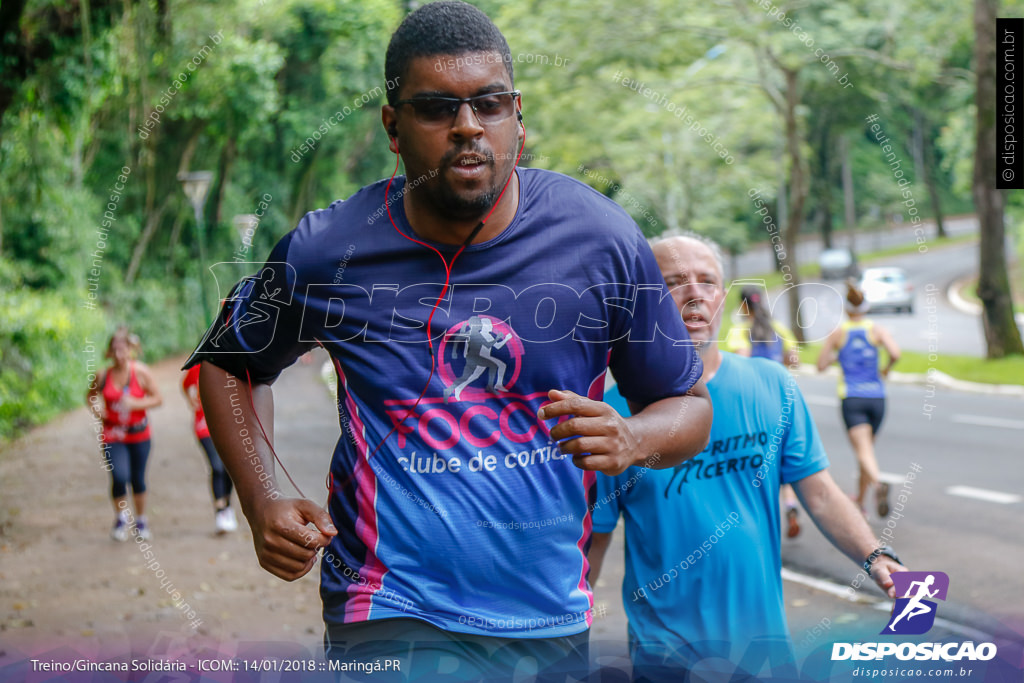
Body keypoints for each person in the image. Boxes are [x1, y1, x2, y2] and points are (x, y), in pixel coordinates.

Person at [184, 3, 713, 680]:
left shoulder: (601, 239)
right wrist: (261, 500)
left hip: (547, 613)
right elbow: (231, 362)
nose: (468, 126)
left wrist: (635, 438)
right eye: (436, 108)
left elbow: (689, 405)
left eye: (488, 104)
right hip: (387, 603)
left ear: (517, 117)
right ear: (392, 127)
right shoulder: (329, 251)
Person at [589, 235, 906, 682]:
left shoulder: (772, 386)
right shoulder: (614, 413)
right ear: (646, 301)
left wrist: (879, 559)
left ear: (722, 297)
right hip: (667, 658)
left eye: (707, 281)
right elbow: (593, 543)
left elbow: (819, 493)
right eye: (674, 282)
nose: (694, 293)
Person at [816, 281, 900, 517]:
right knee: (866, 451)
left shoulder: (838, 333)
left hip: (852, 397)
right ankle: (860, 501)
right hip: (877, 397)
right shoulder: (877, 330)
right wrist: (886, 369)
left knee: (863, 452)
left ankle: (878, 484)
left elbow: (820, 366)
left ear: (847, 309)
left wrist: (835, 358)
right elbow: (895, 353)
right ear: (865, 307)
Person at [725, 285, 803, 537]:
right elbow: (794, 358)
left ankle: (754, 520)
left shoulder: (739, 331)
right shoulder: (777, 328)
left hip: (754, 405)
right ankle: (790, 503)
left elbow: (742, 359)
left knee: (755, 459)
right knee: (783, 455)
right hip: (782, 400)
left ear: (743, 305)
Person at [86, 327, 163, 541]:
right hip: (113, 435)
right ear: (109, 352)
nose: (119, 355)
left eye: (123, 350)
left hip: (139, 434)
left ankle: (141, 520)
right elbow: (90, 396)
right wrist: (96, 409)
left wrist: (136, 403)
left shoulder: (141, 372)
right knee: (119, 476)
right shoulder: (103, 375)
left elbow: (158, 398)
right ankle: (120, 518)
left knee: (138, 479)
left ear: (131, 350)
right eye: (115, 350)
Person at [181, 364, 238, 533]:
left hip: (229, 426)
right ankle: (220, 511)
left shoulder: (232, 366)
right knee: (216, 466)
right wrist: (190, 399)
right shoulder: (198, 367)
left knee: (229, 468)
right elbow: (185, 384)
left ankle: (227, 507)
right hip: (204, 425)